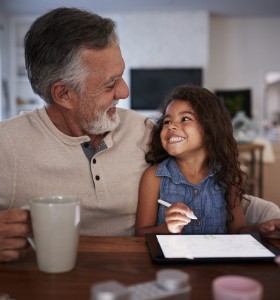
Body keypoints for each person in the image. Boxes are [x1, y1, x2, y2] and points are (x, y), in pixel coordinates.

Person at [0, 7, 152, 262]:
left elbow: (216, 186)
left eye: (121, 76)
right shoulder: (6, 145)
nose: (124, 92)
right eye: (110, 83)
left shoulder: (146, 132)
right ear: (63, 94)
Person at [135, 85, 280, 238]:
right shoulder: (154, 176)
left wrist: (260, 229)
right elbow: (141, 233)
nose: (171, 126)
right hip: (173, 261)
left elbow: (237, 231)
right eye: (167, 121)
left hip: (219, 261)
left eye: (185, 118)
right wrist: (167, 229)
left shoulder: (228, 176)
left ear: (210, 129)